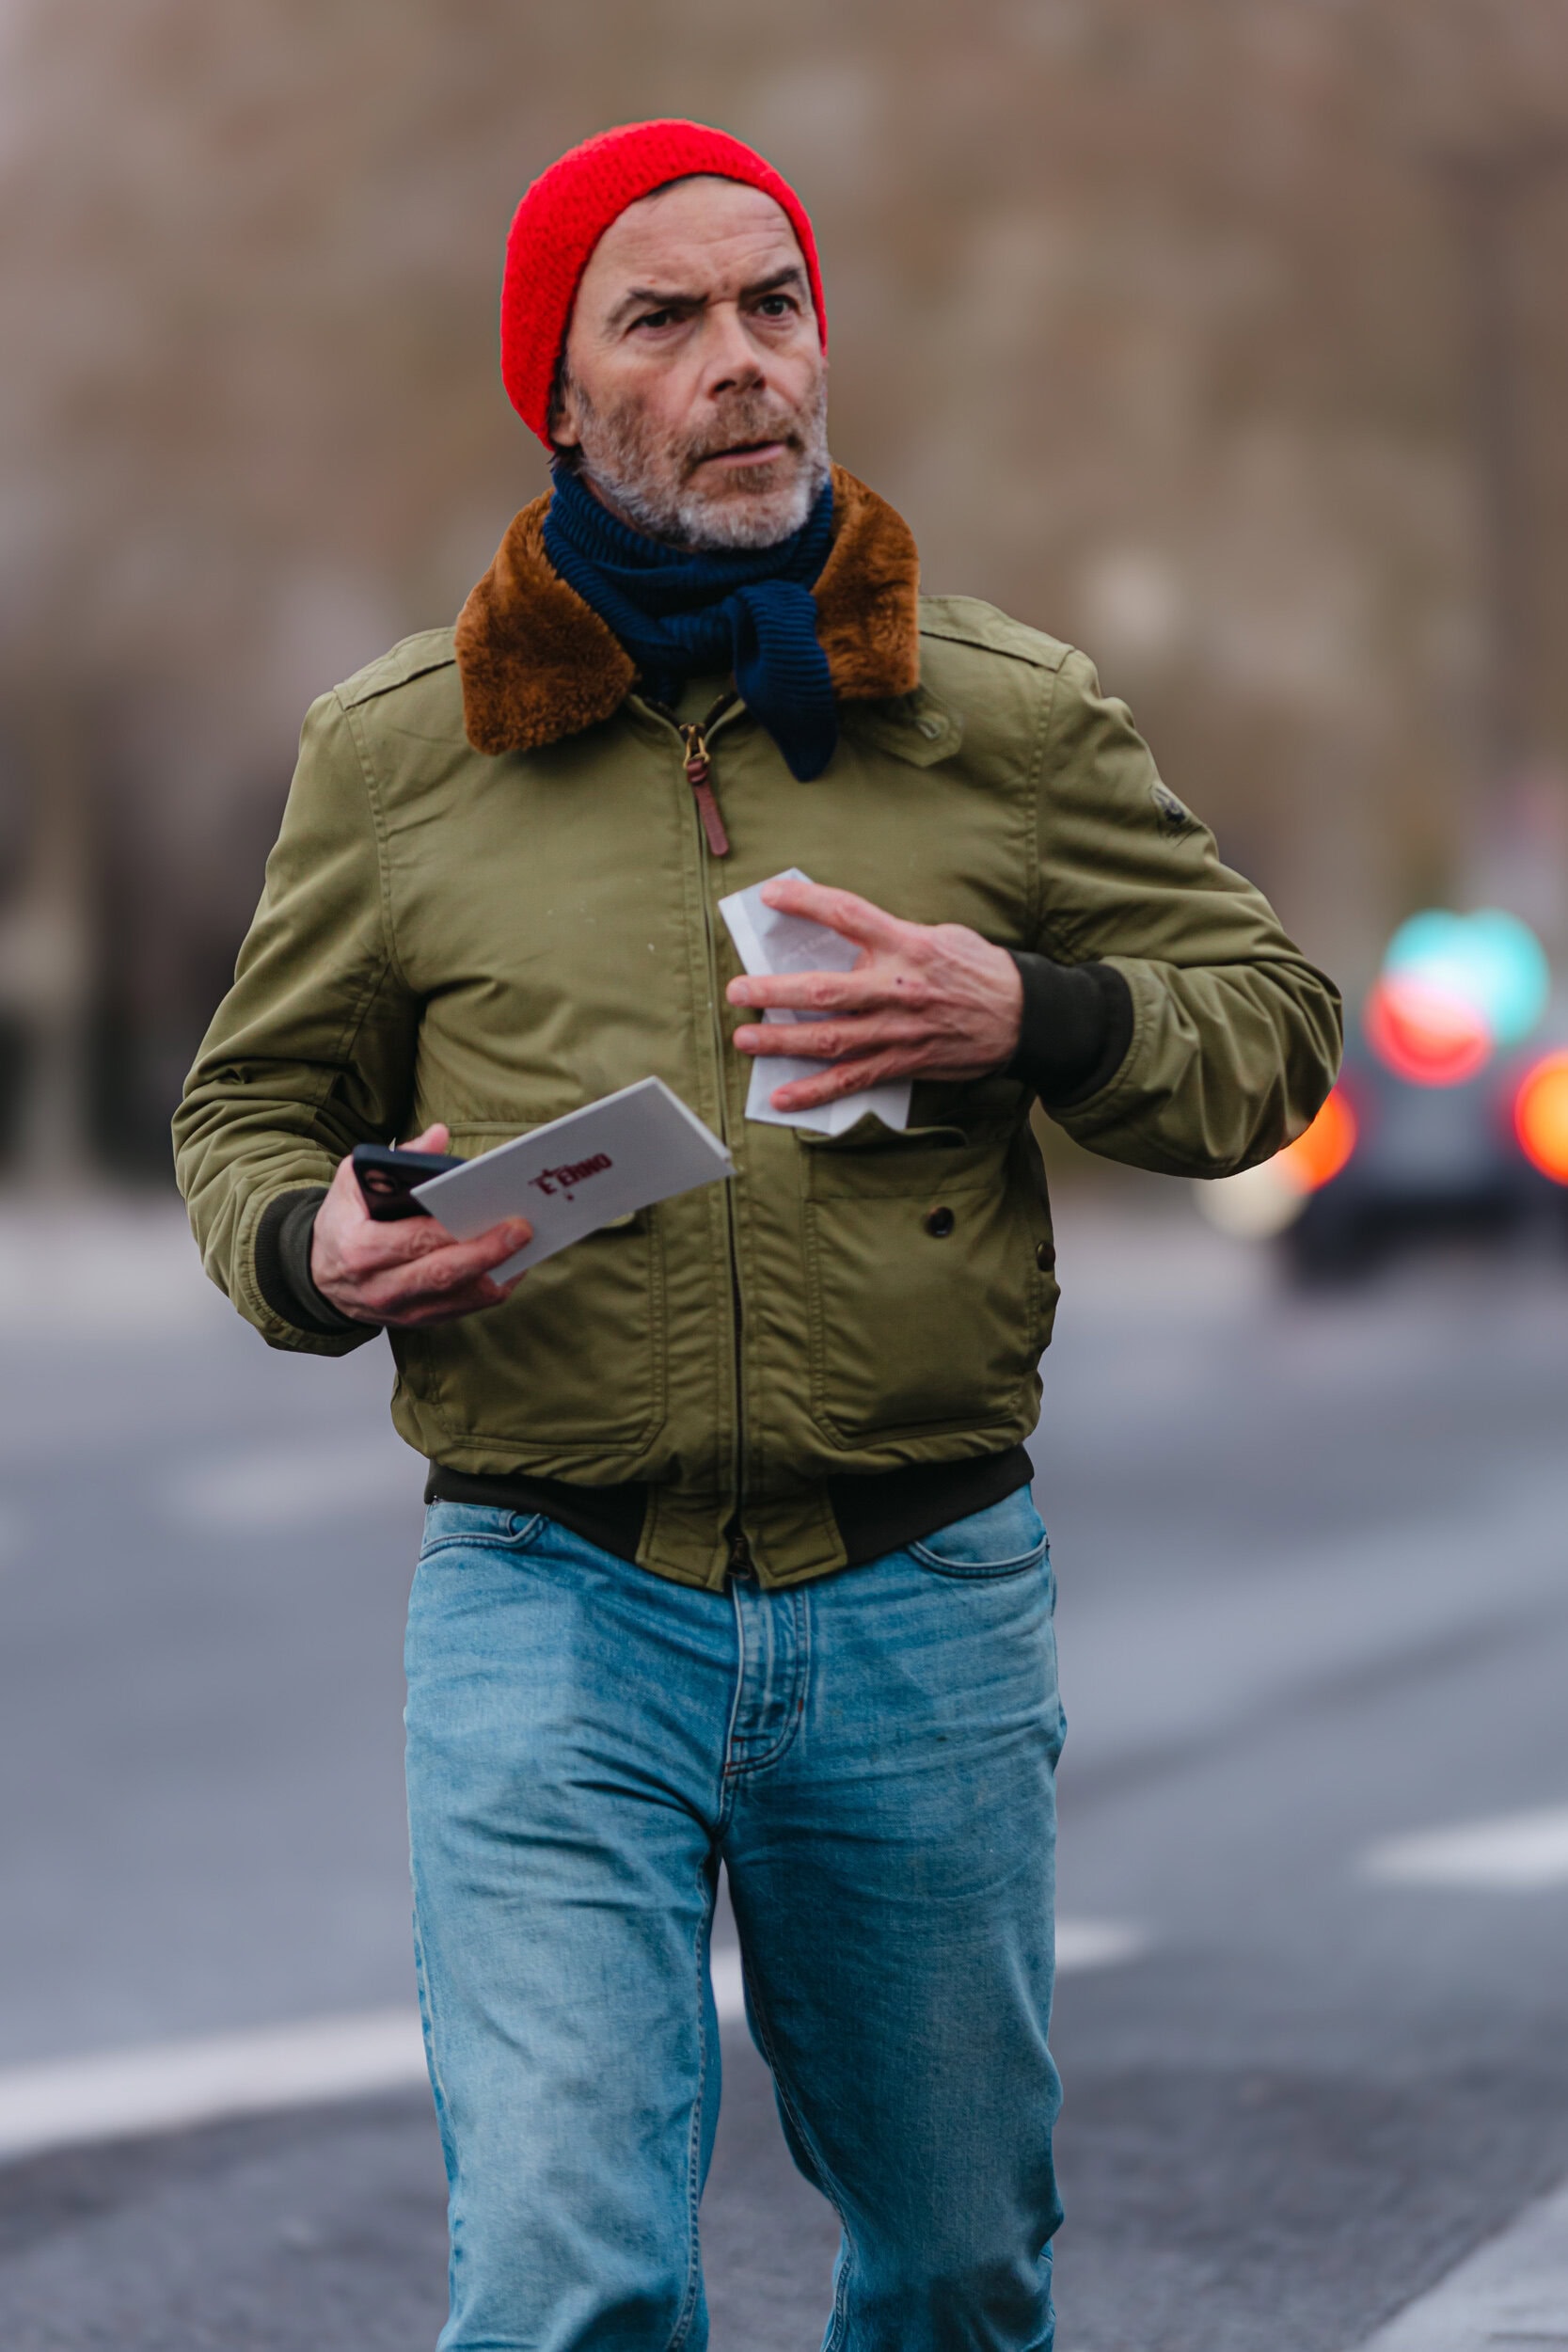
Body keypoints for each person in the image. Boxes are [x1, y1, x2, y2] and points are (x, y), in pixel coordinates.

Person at [174, 118, 1340, 2352]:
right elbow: (246, 1116)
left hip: (918, 1585)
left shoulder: (1007, 715)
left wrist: (1036, 1011)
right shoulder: (399, 755)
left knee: (959, 2267)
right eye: (668, 318)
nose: (744, 360)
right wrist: (317, 1246)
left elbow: (1272, 1035)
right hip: (549, 1590)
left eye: (775, 303)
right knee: (568, 2275)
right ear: (562, 392)